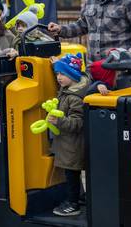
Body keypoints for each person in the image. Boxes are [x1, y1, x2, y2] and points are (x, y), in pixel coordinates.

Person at [48, 54, 90, 216]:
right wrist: (57, 66)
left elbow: (77, 123)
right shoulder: (72, 87)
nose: (58, 78)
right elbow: (67, 74)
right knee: (72, 174)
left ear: (72, 76)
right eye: (57, 74)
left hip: (72, 145)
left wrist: (59, 121)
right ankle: (80, 197)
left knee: (71, 175)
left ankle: (73, 204)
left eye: (62, 74)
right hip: (69, 144)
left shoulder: (74, 97)